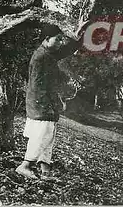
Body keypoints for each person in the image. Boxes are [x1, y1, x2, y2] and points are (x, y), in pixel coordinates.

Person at [16, 32, 79, 180]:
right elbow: (40, 86)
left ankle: (45, 171)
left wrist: (79, 36)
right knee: (41, 134)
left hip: (44, 102)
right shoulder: (41, 57)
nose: (60, 43)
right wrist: (54, 104)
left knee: (48, 134)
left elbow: (66, 50)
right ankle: (25, 166)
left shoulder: (47, 54)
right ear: (46, 39)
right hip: (40, 102)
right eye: (57, 39)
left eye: (61, 39)